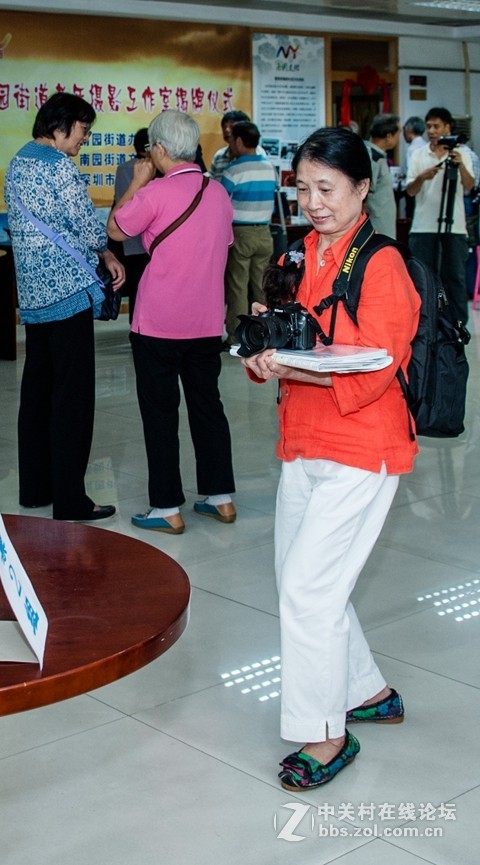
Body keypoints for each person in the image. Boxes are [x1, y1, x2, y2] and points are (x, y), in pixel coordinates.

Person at [240, 126, 418, 791]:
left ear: (362, 188)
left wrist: (289, 360)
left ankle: (326, 731)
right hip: (303, 441)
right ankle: (367, 689)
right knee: (303, 576)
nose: (313, 202)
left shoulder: (384, 264)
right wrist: (265, 352)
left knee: (309, 588)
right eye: (304, 188)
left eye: (327, 189)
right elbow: (287, 350)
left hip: (363, 447)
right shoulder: (300, 255)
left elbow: (371, 373)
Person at [107, 110, 236, 535]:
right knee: (208, 407)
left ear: (159, 150)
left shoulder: (155, 193)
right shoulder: (218, 192)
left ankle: (166, 506)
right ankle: (220, 498)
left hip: (159, 324)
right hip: (206, 323)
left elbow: (116, 228)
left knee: (160, 414)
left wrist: (138, 182)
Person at [3, 92, 124, 522]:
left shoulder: (18, 162)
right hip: (68, 294)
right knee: (72, 398)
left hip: (34, 296)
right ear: (61, 127)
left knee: (36, 391)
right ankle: (70, 499)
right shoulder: (58, 166)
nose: (83, 140)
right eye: (82, 131)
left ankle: (36, 488)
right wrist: (106, 252)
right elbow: (85, 221)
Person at [404, 107, 476, 323]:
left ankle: (457, 328)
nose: (432, 131)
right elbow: (410, 190)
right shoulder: (418, 154)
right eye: (429, 126)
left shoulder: (462, 153)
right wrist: (422, 177)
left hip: (454, 229)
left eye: (436, 126)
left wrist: (460, 164)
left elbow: (470, 186)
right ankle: (424, 324)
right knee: (423, 278)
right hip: (423, 228)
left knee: (455, 279)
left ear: (448, 127)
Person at [220, 120, 278, 340]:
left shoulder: (234, 170)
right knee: (262, 286)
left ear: (240, 141)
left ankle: (237, 337)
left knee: (237, 287)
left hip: (241, 234)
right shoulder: (269, 167)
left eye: (232, 140)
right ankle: (264, 332)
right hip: (264, 233)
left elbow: (221, 203)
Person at [111, 128, 151, 323]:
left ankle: (135, 327)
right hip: (149, 240)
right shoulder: (153, 170)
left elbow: (119, 201)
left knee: (136, 287)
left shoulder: (123, 168)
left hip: (129, 239)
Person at [364, 113, 400, 238]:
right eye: (398, 134)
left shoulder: (379, 156)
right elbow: (363, 193)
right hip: (376, 226)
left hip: (383, 224)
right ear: (389, 136)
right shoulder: (372, 157)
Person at [209, 109, 250, 182]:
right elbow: (211, 182)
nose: (226, 130)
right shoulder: (219, 155)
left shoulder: (256, 154)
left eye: (231, 126)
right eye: (224, 127)